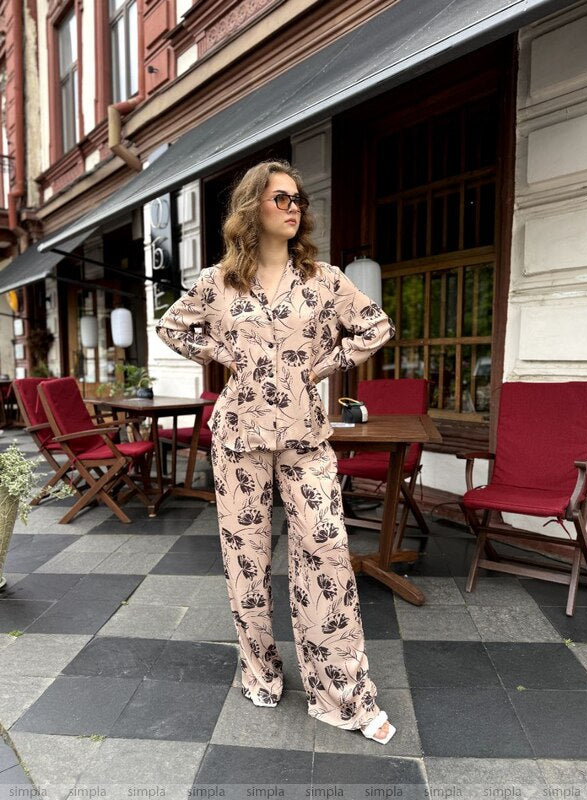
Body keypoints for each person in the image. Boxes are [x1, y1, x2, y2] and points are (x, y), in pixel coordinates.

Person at [155, 159, 396, 744]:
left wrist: (321, 365)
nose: (294, 208)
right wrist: (229, 356)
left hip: (307, 437)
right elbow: (172, 327)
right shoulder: (218, 283)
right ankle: (260, 673)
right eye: (281, 198)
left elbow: (375, 326)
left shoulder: (323, 278)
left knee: (327, 553)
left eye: (299, 200)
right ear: (252, 208)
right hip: (238, 437)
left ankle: (342, 695)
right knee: (247, 565)